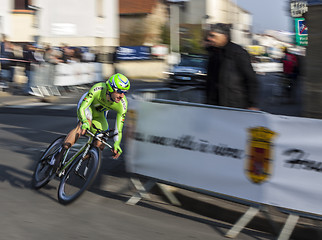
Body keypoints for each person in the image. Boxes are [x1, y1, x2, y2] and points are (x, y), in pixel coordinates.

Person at [50, 73, 130, 170]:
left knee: (101, 143)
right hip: (86, 108)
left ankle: (76, 161)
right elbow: (83, 108)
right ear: (110, 88)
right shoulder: (98, 88)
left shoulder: (122, 104)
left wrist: (116, 144)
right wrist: (84, 121)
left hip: (100, 115)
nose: (122, 95)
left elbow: (119, 129)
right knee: (83, 127)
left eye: (124, 92)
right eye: (119, 92)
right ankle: (59, 154)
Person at [205, 23, 259, 110]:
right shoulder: (213, 54)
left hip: (235, 107)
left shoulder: (238, 53)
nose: (209, 38)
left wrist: (252, 104)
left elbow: (251, 80)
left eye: (213, 36)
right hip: (214, 107)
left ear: (224, 36)